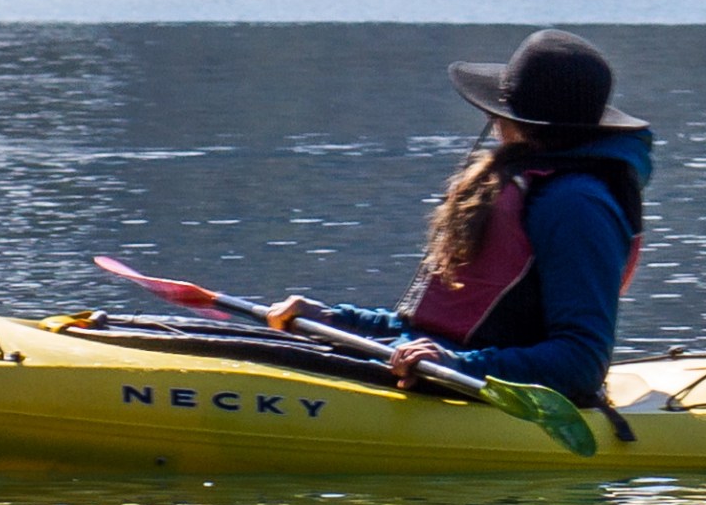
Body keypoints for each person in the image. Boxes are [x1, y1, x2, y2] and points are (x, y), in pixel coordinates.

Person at [267, 29, 653, 406]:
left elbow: (581, 363)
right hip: (441, 379)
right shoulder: (512, 185)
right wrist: (336, 319)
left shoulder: (576, 205)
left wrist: (457, 365)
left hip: (491, 397)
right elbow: (424, 331)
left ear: (506, 118)